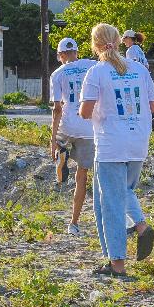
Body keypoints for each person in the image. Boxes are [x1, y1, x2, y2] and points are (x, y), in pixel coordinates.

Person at [78, 24, 154, 278]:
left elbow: (85, 112)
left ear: (95, 45)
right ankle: (133, 233)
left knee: (110, 204)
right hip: (138, 142)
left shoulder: (97, 72)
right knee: (121, 192)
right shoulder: (138, 69)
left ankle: (118, 262)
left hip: (111, 143)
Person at [49, 37, 96, 236]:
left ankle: (61, 151)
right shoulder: (92, 66)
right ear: (77, 52)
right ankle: (74, 223)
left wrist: (52, 140)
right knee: (82, 176)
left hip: (68, 124)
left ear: (60, 56)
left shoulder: (58, 73)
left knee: (60, 141)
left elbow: (57, 109)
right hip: (87, 127)